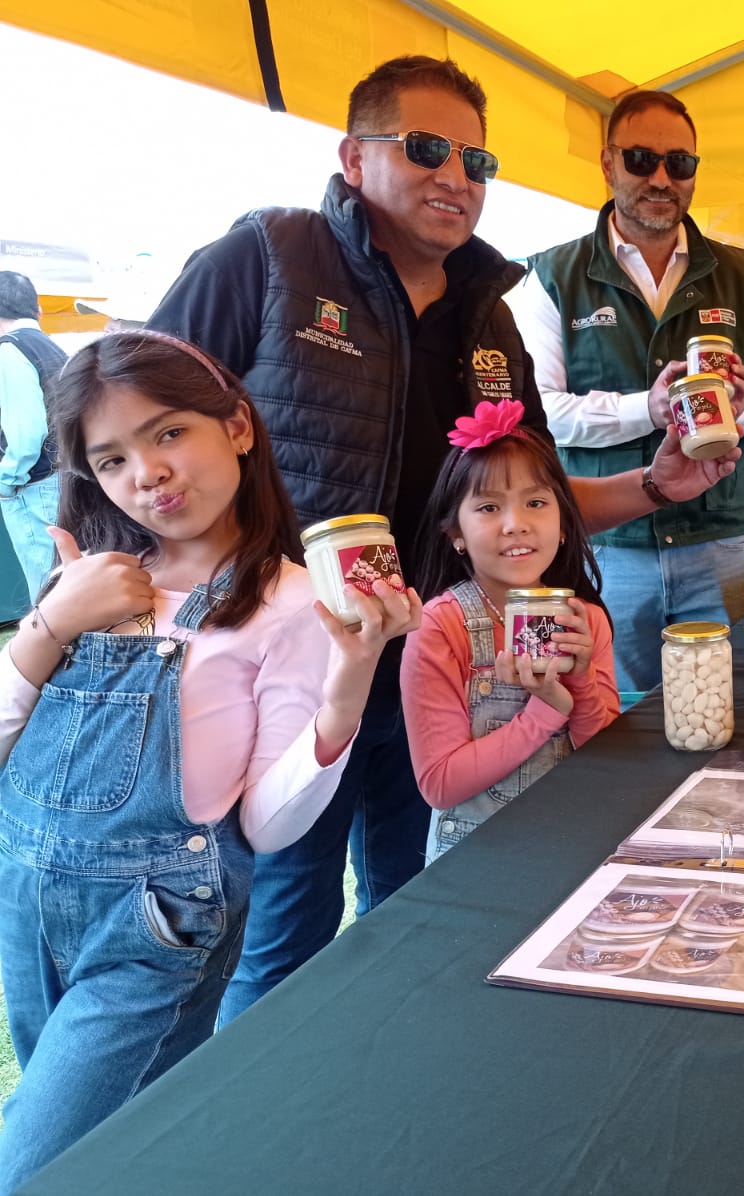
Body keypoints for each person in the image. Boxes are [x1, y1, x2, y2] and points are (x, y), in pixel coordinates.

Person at [146, 56, 738, 1023]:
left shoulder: (490, 317)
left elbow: (528, 501)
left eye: (476, 157)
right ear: (352, 156)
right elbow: (133, 428)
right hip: (293, 670)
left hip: (436, 666)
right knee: (282, 930)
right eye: (426, 149)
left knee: (416, 904)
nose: (455, 175)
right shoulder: (269, 258)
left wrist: (654, 483)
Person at [0, 332, 419, 1189]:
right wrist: (52, 623)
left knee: (31, 1162)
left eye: (167, 433)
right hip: (28, 904)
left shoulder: (289, 601)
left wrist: (349, 683)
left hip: (156, 924)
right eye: (110, 458)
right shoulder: (93, 577)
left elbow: (267, 826)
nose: (145, 473)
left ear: (237, 427)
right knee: (109, 1160)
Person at [522, 89, 744, 693]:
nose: (661, 177)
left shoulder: (740, 272)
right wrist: (644, 410)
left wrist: (737, 412)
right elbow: (541, 413)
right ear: (607, 163)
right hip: (608, 547)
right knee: (614, 718)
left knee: (731, 704)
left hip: (718, 540)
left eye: (680, 163)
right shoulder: (553, 275)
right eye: (641, 159)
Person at [401, 399, 618, 860]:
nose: (516, 524)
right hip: (474, 864)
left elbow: (608, 758)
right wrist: (543, 714)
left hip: (573, 849)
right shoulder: (441, 626)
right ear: (455, 533)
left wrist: (578, 679)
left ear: (562, 524)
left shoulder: (586, 620)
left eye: (536, 502)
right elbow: (439, 784)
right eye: (488, 507)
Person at [0, 272, 65, 599]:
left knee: (46, 589)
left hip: (33, 484)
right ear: (37, 309)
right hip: (61, 475)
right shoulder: (51, 346)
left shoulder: (8, 351)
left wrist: (6, 481)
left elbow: (26, 434)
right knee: (63, 577)